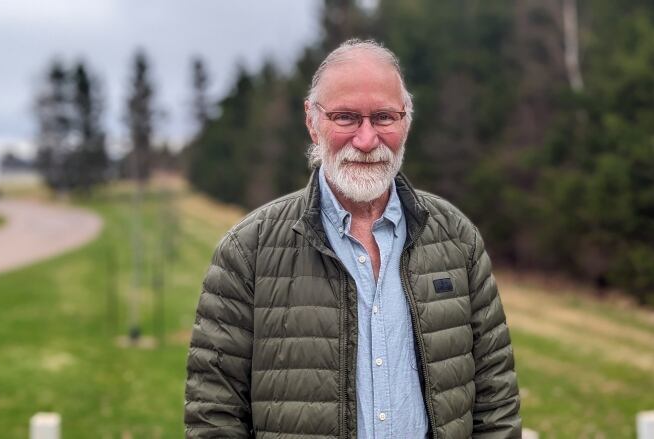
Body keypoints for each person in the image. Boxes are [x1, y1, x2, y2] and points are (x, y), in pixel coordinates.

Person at [184, 39, 521, 438]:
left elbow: (496, 402)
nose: (366, 140)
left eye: (383, 117)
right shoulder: (247, 252)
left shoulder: (458, 240)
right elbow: (214, 414)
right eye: (345, 117)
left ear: (406, 122)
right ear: (312, 121)